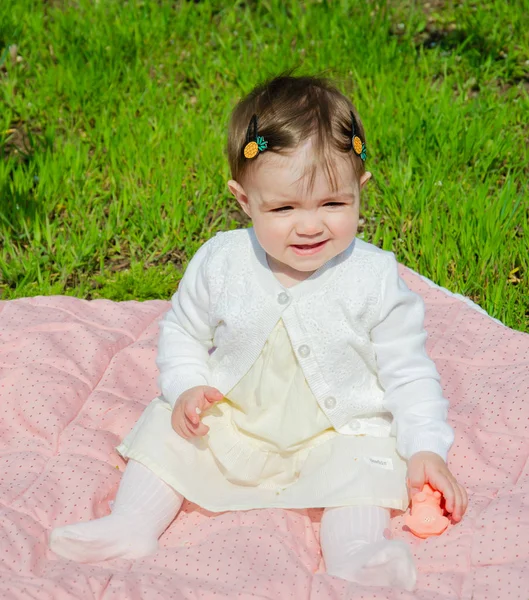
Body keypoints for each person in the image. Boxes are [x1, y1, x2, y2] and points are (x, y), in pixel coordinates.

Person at [50, 74, 468, 591]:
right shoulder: (222, 260)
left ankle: (357, 555)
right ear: (245, 201)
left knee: (369, 465)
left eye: (333, 204)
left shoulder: (374, 278)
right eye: (283, 208)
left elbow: (409, 374)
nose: (309, 226)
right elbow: (182, 329)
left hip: (334, 432)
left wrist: (426, 446)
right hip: (238, 421)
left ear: (360, 192)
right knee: (166, 429)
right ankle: (132, 523)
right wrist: (185, 387)